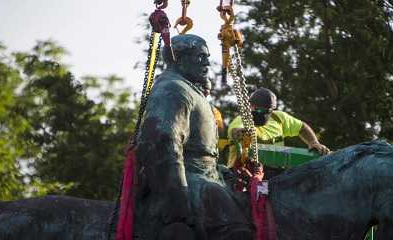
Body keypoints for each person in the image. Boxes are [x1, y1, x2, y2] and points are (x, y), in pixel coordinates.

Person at [134, 34, 252, 240]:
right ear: (178, 58)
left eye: (207, 57)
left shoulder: (190, 90)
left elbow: (200, 153)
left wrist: (225, 173)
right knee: (237, 232)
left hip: (206, 179)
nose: (207, 62)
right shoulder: (173, 88)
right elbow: (162, 142)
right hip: (190, 183)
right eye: (200, 56)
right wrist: (176, 195)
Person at [227, 87, 331, 169]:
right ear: (250, 106)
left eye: (267, 111)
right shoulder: (242, 120)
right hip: (243, 173)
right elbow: (234, 131)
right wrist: (239, 133)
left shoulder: (278, 118)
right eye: (258, 110)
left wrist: (313, 142)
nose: (262, 114)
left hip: (276, 174)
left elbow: (302, 127)